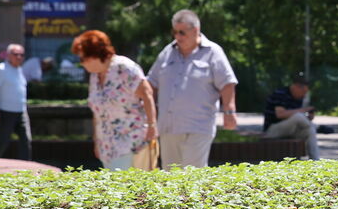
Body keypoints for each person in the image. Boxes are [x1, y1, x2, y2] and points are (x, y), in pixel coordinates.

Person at [146, 9, 238, 169]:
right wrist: (147, 116)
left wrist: (229, 112)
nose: (177, 36)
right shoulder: (167, 53)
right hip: (168, 127)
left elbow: (227, 83)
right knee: (170, 177)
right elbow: (151, 84)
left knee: (192, 176)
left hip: (198, 126)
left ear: (196, 30)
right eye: (174, 32)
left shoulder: (213, 52)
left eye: (182, 32)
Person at [73, 29, 159, 171]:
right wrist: (96, 140)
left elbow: (147, 93)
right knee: (115, 187)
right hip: (107, 145)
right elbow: (97, 111)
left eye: (83, 59)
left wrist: (152, 125)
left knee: (127, 188)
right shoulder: (94, 76)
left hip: (132, 141)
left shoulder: (124, 67)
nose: (81, 63)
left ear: (95, 54)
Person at [0, 43, 32, 160]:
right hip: (6, 112)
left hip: (21, 112)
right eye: (16, 54)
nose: (19, 57)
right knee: (2, 141)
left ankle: (26, 168)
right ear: (8, 55)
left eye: (21, 55)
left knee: (26, 140)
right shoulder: (1, 69)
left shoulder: (20, 70)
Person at [262, 72, 322, 160]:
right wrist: (304, 111)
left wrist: (309, 117)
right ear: (296, 87)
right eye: (304, 91)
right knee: (298, 116)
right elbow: (280, 114)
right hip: (272, 130)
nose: (304, 94)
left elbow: (297, 118)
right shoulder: (280, 93)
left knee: (310, 130)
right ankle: (317, 127)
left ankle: (316, 161)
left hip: (291, 130)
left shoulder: (299, 98)